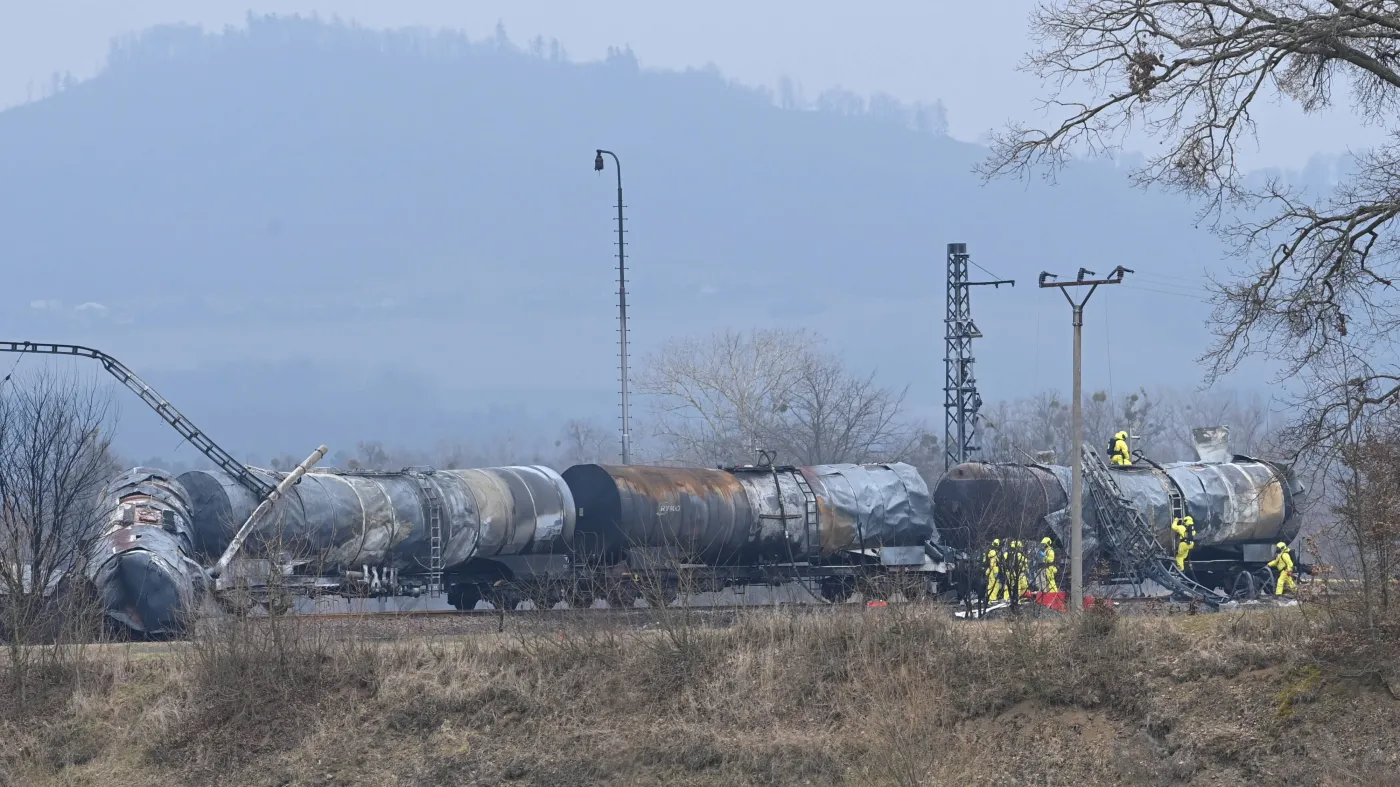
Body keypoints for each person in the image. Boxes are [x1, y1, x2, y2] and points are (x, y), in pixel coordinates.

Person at [984, 539, 1004, 604]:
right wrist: (995, 572)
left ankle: (989, 598)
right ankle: (992, 599)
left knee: (990, 585)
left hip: (989, 570)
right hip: (992, 571)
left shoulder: (989, 550)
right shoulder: (993, 552)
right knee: (996, 585)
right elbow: (993, 563)